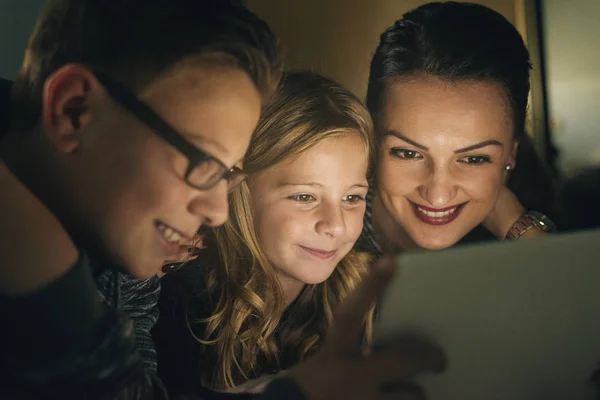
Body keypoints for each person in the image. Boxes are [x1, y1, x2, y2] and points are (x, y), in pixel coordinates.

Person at [0, 0, 444, 399]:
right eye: (203, 164)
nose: (217, 211)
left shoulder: (113, 250)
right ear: (74, 111)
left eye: (228, 175)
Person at [154, 71, 377, 396]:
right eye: (304, 197)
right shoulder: (182, 296)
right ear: (241, 191)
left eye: (352, 198)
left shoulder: (364, 290)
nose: (336, 225)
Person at [360, 1, 558, 256]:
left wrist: (516, 226)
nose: (438, 195)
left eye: (474, 159)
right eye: (408, 153)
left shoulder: (538, 220)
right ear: (371, 137)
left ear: (511, 153)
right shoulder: (311, 236)